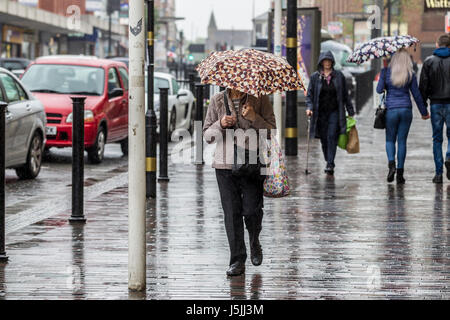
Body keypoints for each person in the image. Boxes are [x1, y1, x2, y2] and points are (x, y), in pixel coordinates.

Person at [203, 88, 276, 277]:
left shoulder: (259, 98)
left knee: (251, 211)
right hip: (225, 165)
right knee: (231, 213)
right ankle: (237, 259)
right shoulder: (217, 100)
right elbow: (207, 136)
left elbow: (271, 131)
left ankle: (254, 240)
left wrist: (254, 117)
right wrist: (220, 124)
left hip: (251, 163)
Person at [377, 48, 430, 184]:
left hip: (391, 110)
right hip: (406, 109)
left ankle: (391, 166)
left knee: (390, 139)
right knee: (402, 141)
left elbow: (378, 90)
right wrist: (424, 112)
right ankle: (400, 174)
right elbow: (416, 95)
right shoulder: (410, 74)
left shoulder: (386, 72)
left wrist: (383, 75)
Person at [305, 51, 355, 176]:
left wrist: (350, 109)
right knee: (323, 139)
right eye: (324, 61)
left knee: (332, 136)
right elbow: (309, 95)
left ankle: (330, 163)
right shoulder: (315, 77)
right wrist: (309, 107)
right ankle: (328, 159)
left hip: (335, 112)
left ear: (332, 62)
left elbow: (345, 95)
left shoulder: (339, 76)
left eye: (329, 61)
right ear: (321, 62)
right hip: (320, 113)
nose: (327, 63)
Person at [419, 34, 450, 184]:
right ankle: (449, 156)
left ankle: (438, 174)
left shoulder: (429, 62)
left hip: (436, 103)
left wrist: (423, 106)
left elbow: (423, 86)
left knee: (437, 139)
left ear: (437, 45)